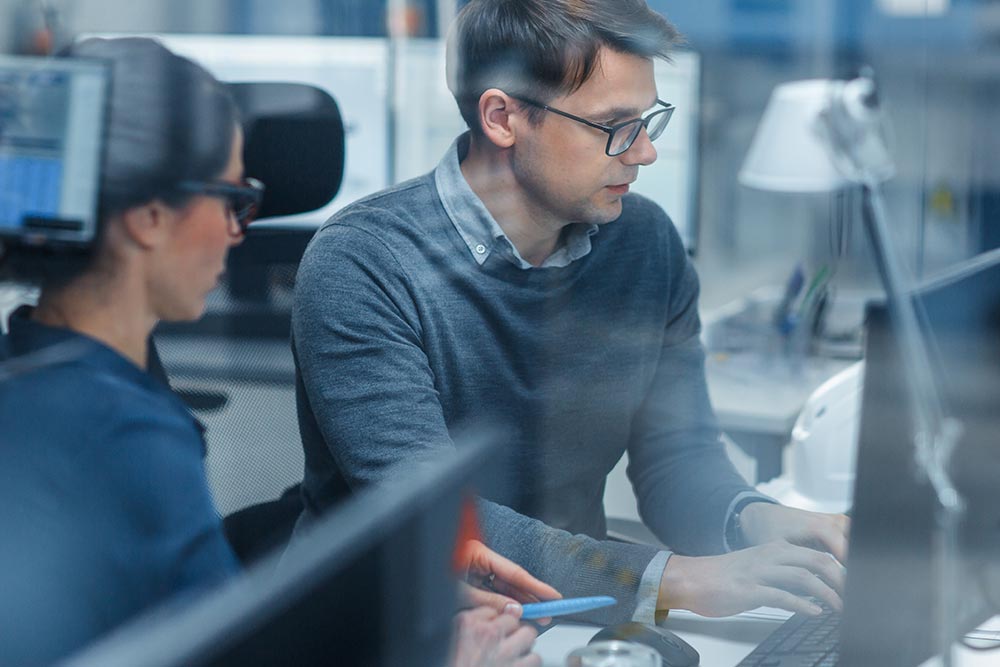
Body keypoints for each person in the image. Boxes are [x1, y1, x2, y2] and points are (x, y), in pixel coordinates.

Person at [292, 0, 849, 627]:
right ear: (503, 118)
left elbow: (677, 460)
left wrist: (756, 518)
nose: (643, 154)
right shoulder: (365, 264)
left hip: (575, 616)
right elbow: (435, 519)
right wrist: (679, 579)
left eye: (647, 121)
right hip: (389, 628)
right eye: (614, 126)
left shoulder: (643, 243)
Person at [0, 37, 542, 667]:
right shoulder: (129, 436)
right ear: (149, 215)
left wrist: (382, 613)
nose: (240, 231)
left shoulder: (33, 377)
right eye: (234, 199)